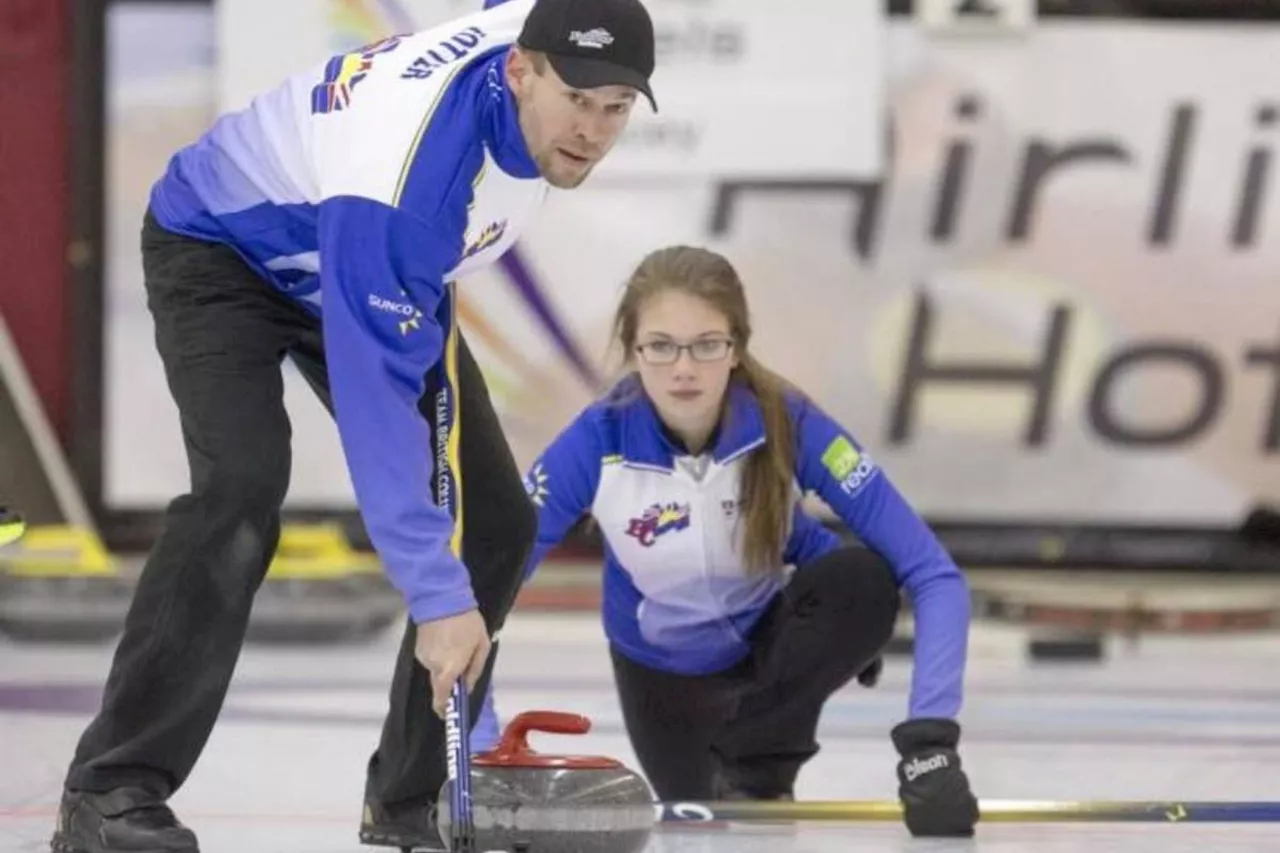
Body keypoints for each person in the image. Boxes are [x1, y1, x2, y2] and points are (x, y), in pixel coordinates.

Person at [50, 1, 656, 852]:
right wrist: (439, 598)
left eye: (616, 109)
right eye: (576, 101)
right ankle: (109, 789)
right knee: (241, 488)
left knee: (496, 520)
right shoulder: (408, 183)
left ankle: (409, 800)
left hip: (379, 262)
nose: (592, 131)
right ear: (519, 72)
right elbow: (381, 421)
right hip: (225, 245)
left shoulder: (536, 30)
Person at [511, 245, 980, 837]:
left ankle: (764, 748)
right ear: (633, 349)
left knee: (863, 579)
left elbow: (933, 574)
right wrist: (468, 747)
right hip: (661, 678)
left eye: (707, 345)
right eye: (661, 346)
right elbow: (482, 591)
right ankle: (751, 753)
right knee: (704, 834)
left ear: (736, 348)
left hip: (768, 670)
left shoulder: (790, 421)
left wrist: (930, 743)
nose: (684, 369)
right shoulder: (594, 442)